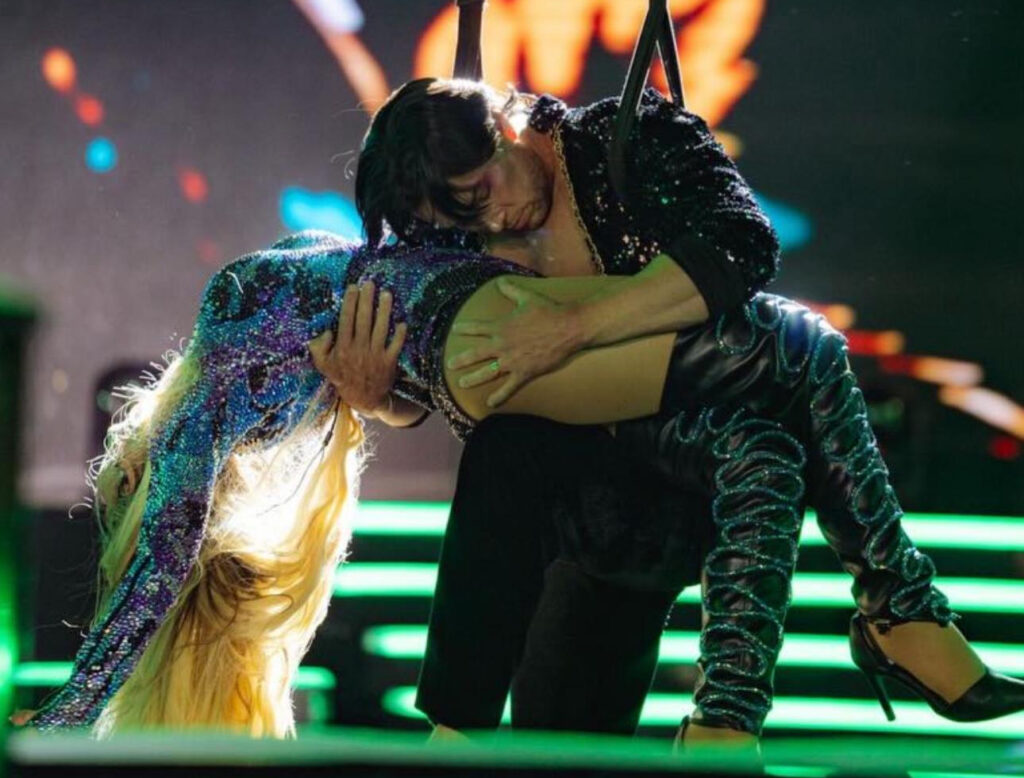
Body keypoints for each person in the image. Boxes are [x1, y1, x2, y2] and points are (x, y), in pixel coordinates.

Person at [351, 77, 1024, 739]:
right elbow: (436, 385)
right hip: (571, 503)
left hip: (678, 485)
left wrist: (574, 327)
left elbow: (743, 245)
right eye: (457, 218)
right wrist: (378, 397)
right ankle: (864, 634)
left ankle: (762, 698)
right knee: (771, 434)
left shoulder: (631, 138)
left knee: (788, 372)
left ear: (502, 128)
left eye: (481, 193)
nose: (488, 221)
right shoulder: (455, 234)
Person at [24, 230, 807, 736]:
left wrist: (62, 720)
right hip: (487, 335)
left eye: (139, 494)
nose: (147, 495)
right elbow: (379, 339)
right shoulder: (261, 419)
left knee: (774, 367)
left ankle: (777, 681)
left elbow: (154, 581)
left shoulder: (206, 406)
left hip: (494, 324)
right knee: (759, 400)